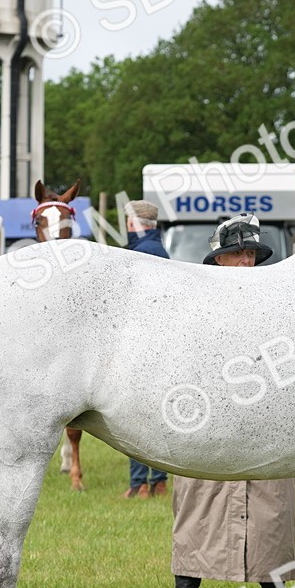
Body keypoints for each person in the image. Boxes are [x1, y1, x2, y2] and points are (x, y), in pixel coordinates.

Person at [170, 214, 295, 588]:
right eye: (236, 254)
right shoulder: (194, 304)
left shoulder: (278, 301)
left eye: (250, 254)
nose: (245, 262)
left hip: (267, 419)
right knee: (197, 505)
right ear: (218, 260)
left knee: (272, 508)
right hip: (210, 417)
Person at [122, 200, 170, 498]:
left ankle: (140, 483)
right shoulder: (162, 251)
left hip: (142, 345)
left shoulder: (138, 256)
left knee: (136, 419)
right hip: (162, 343)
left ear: (134, 224)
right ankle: (158, 480)